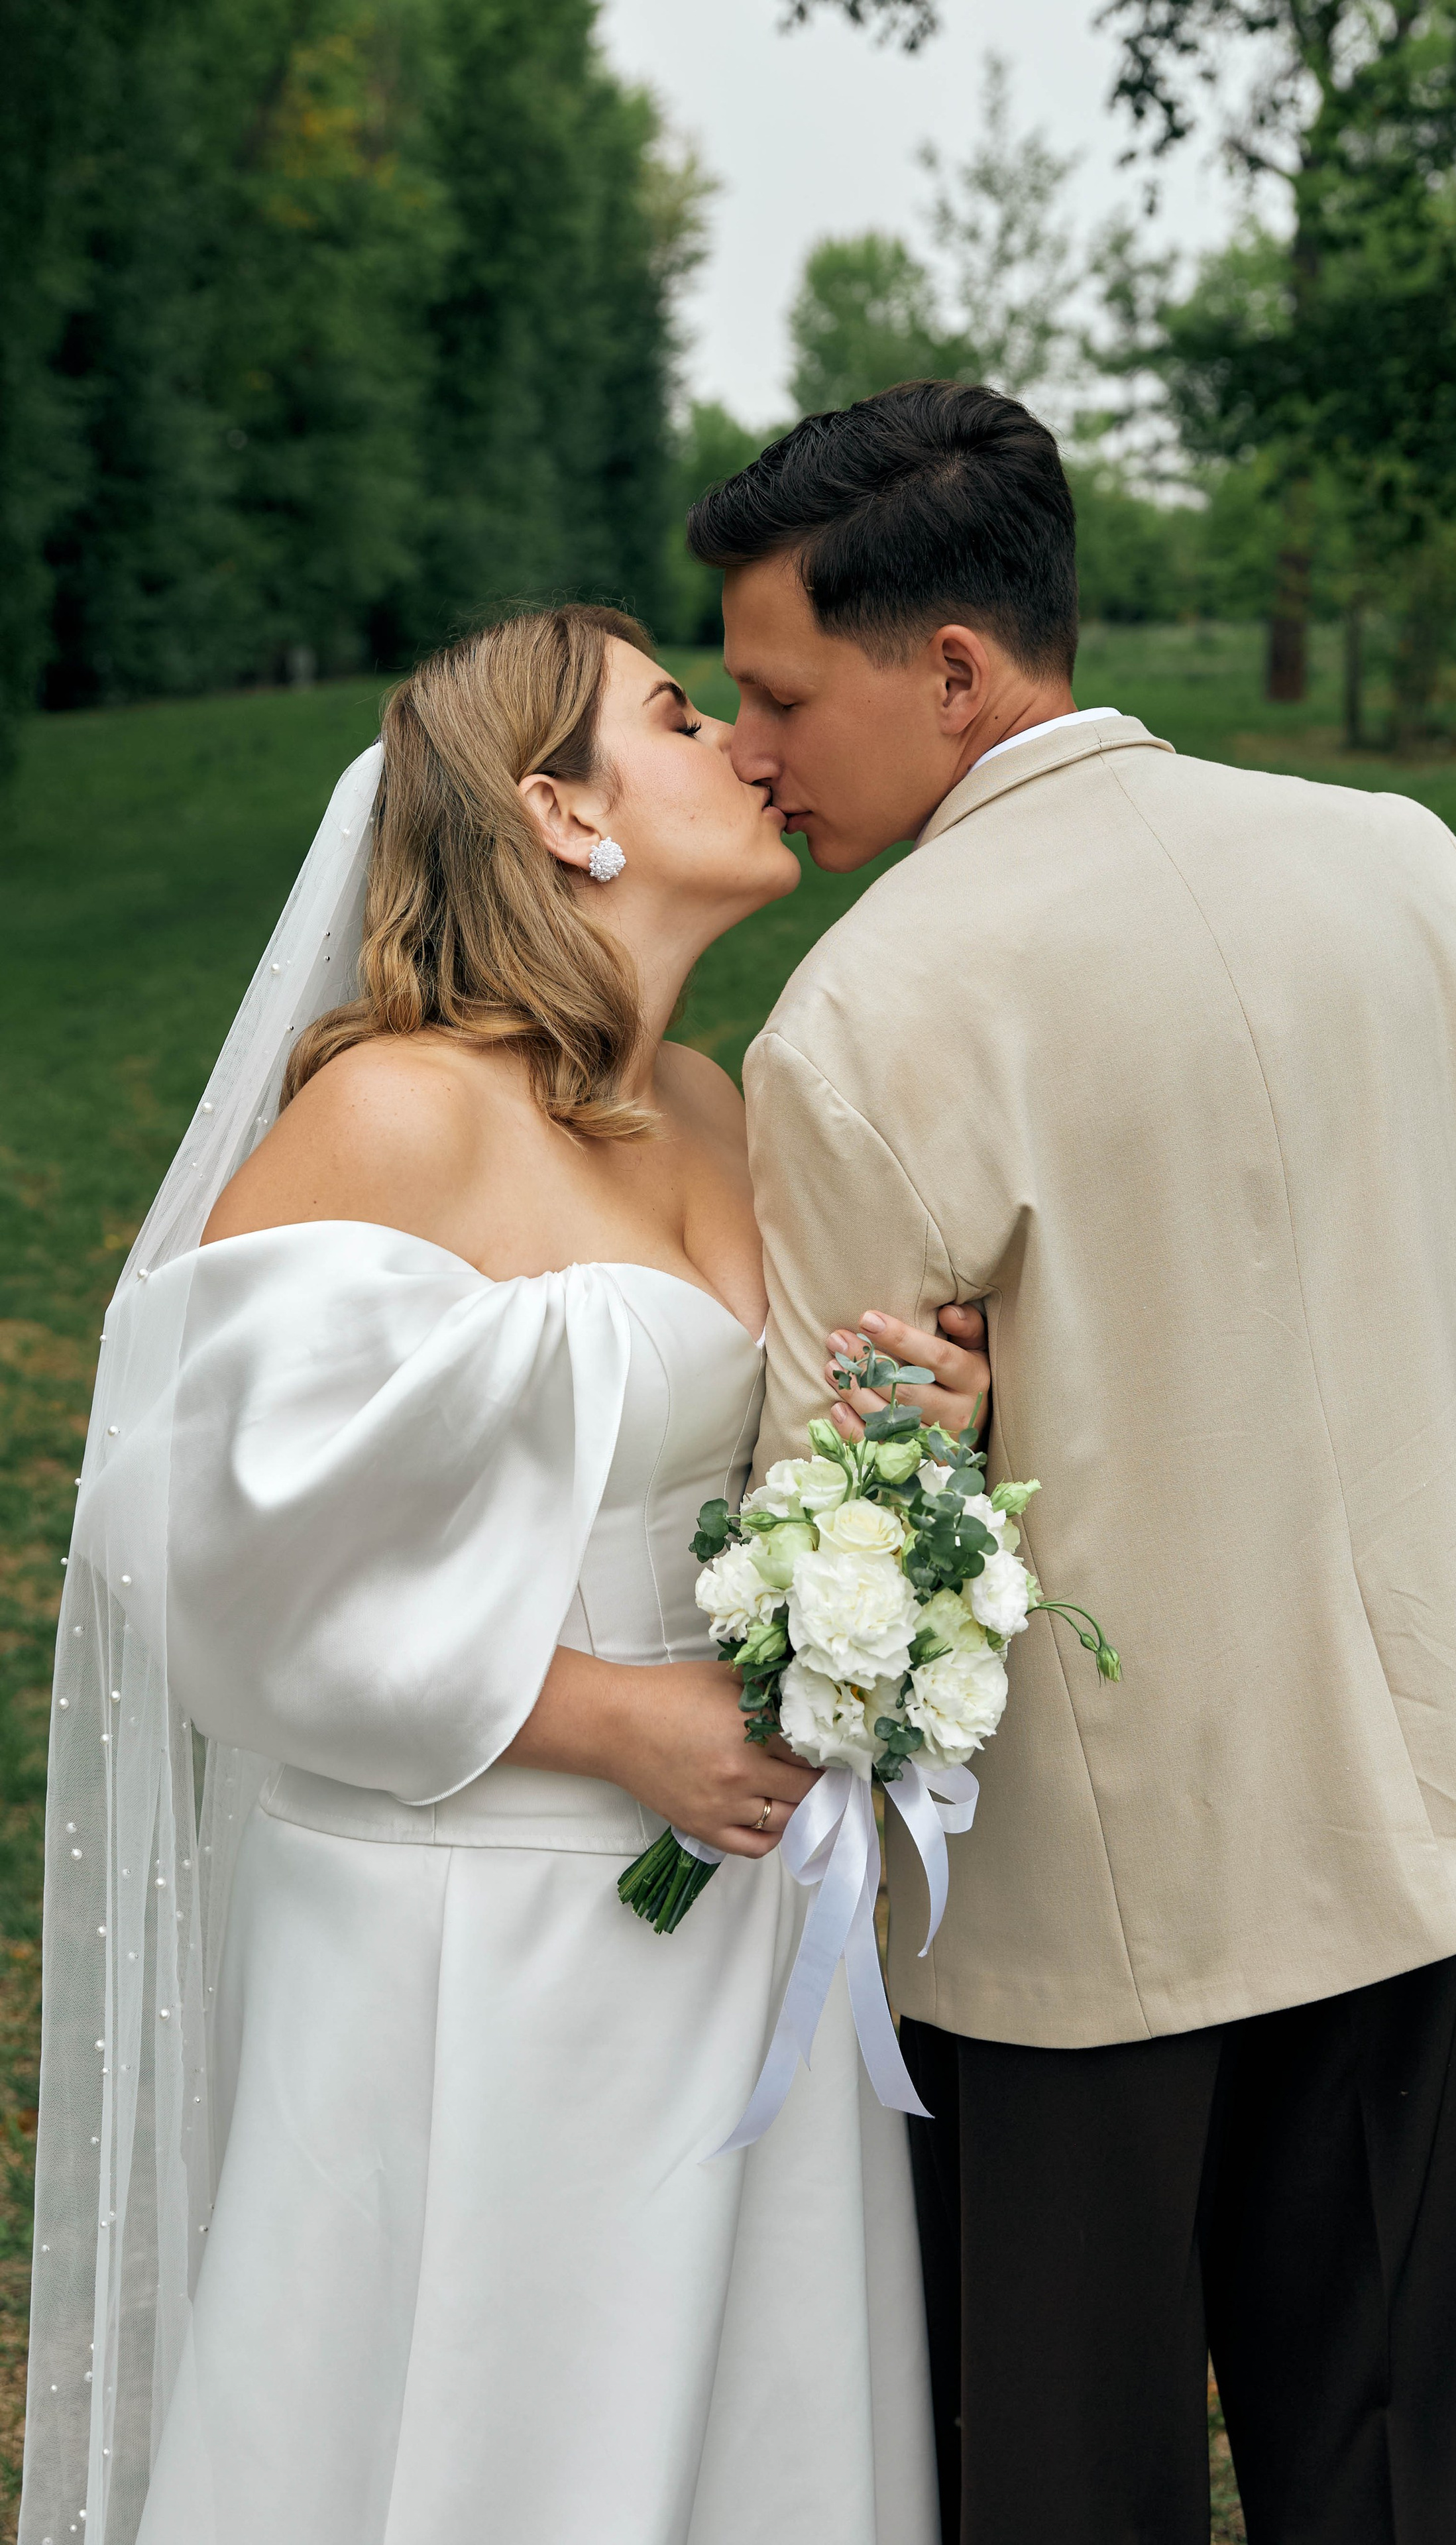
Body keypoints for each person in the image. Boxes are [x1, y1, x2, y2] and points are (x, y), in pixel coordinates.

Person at [687, 378, 1456, 2545]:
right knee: (1402, 2471)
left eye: (777, 695)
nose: (750, 752)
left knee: (1067, 2481)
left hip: (1071, 1936)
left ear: (957, 669)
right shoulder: (1406, 864)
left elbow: (837, 1525)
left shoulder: (865, 1009)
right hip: (1416, 1818)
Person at [25, 604, 991, 2545]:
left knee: (742, 2425)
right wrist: (608, 1718)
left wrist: (916, 1432)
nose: (741, 738)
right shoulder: (398, 1109)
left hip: (732, 1919)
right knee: (481, 2430)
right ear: (561, 812)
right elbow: (197, 1544)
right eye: (676, 713)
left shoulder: (717, 1103)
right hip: (474, 1918)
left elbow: (763, 1456)